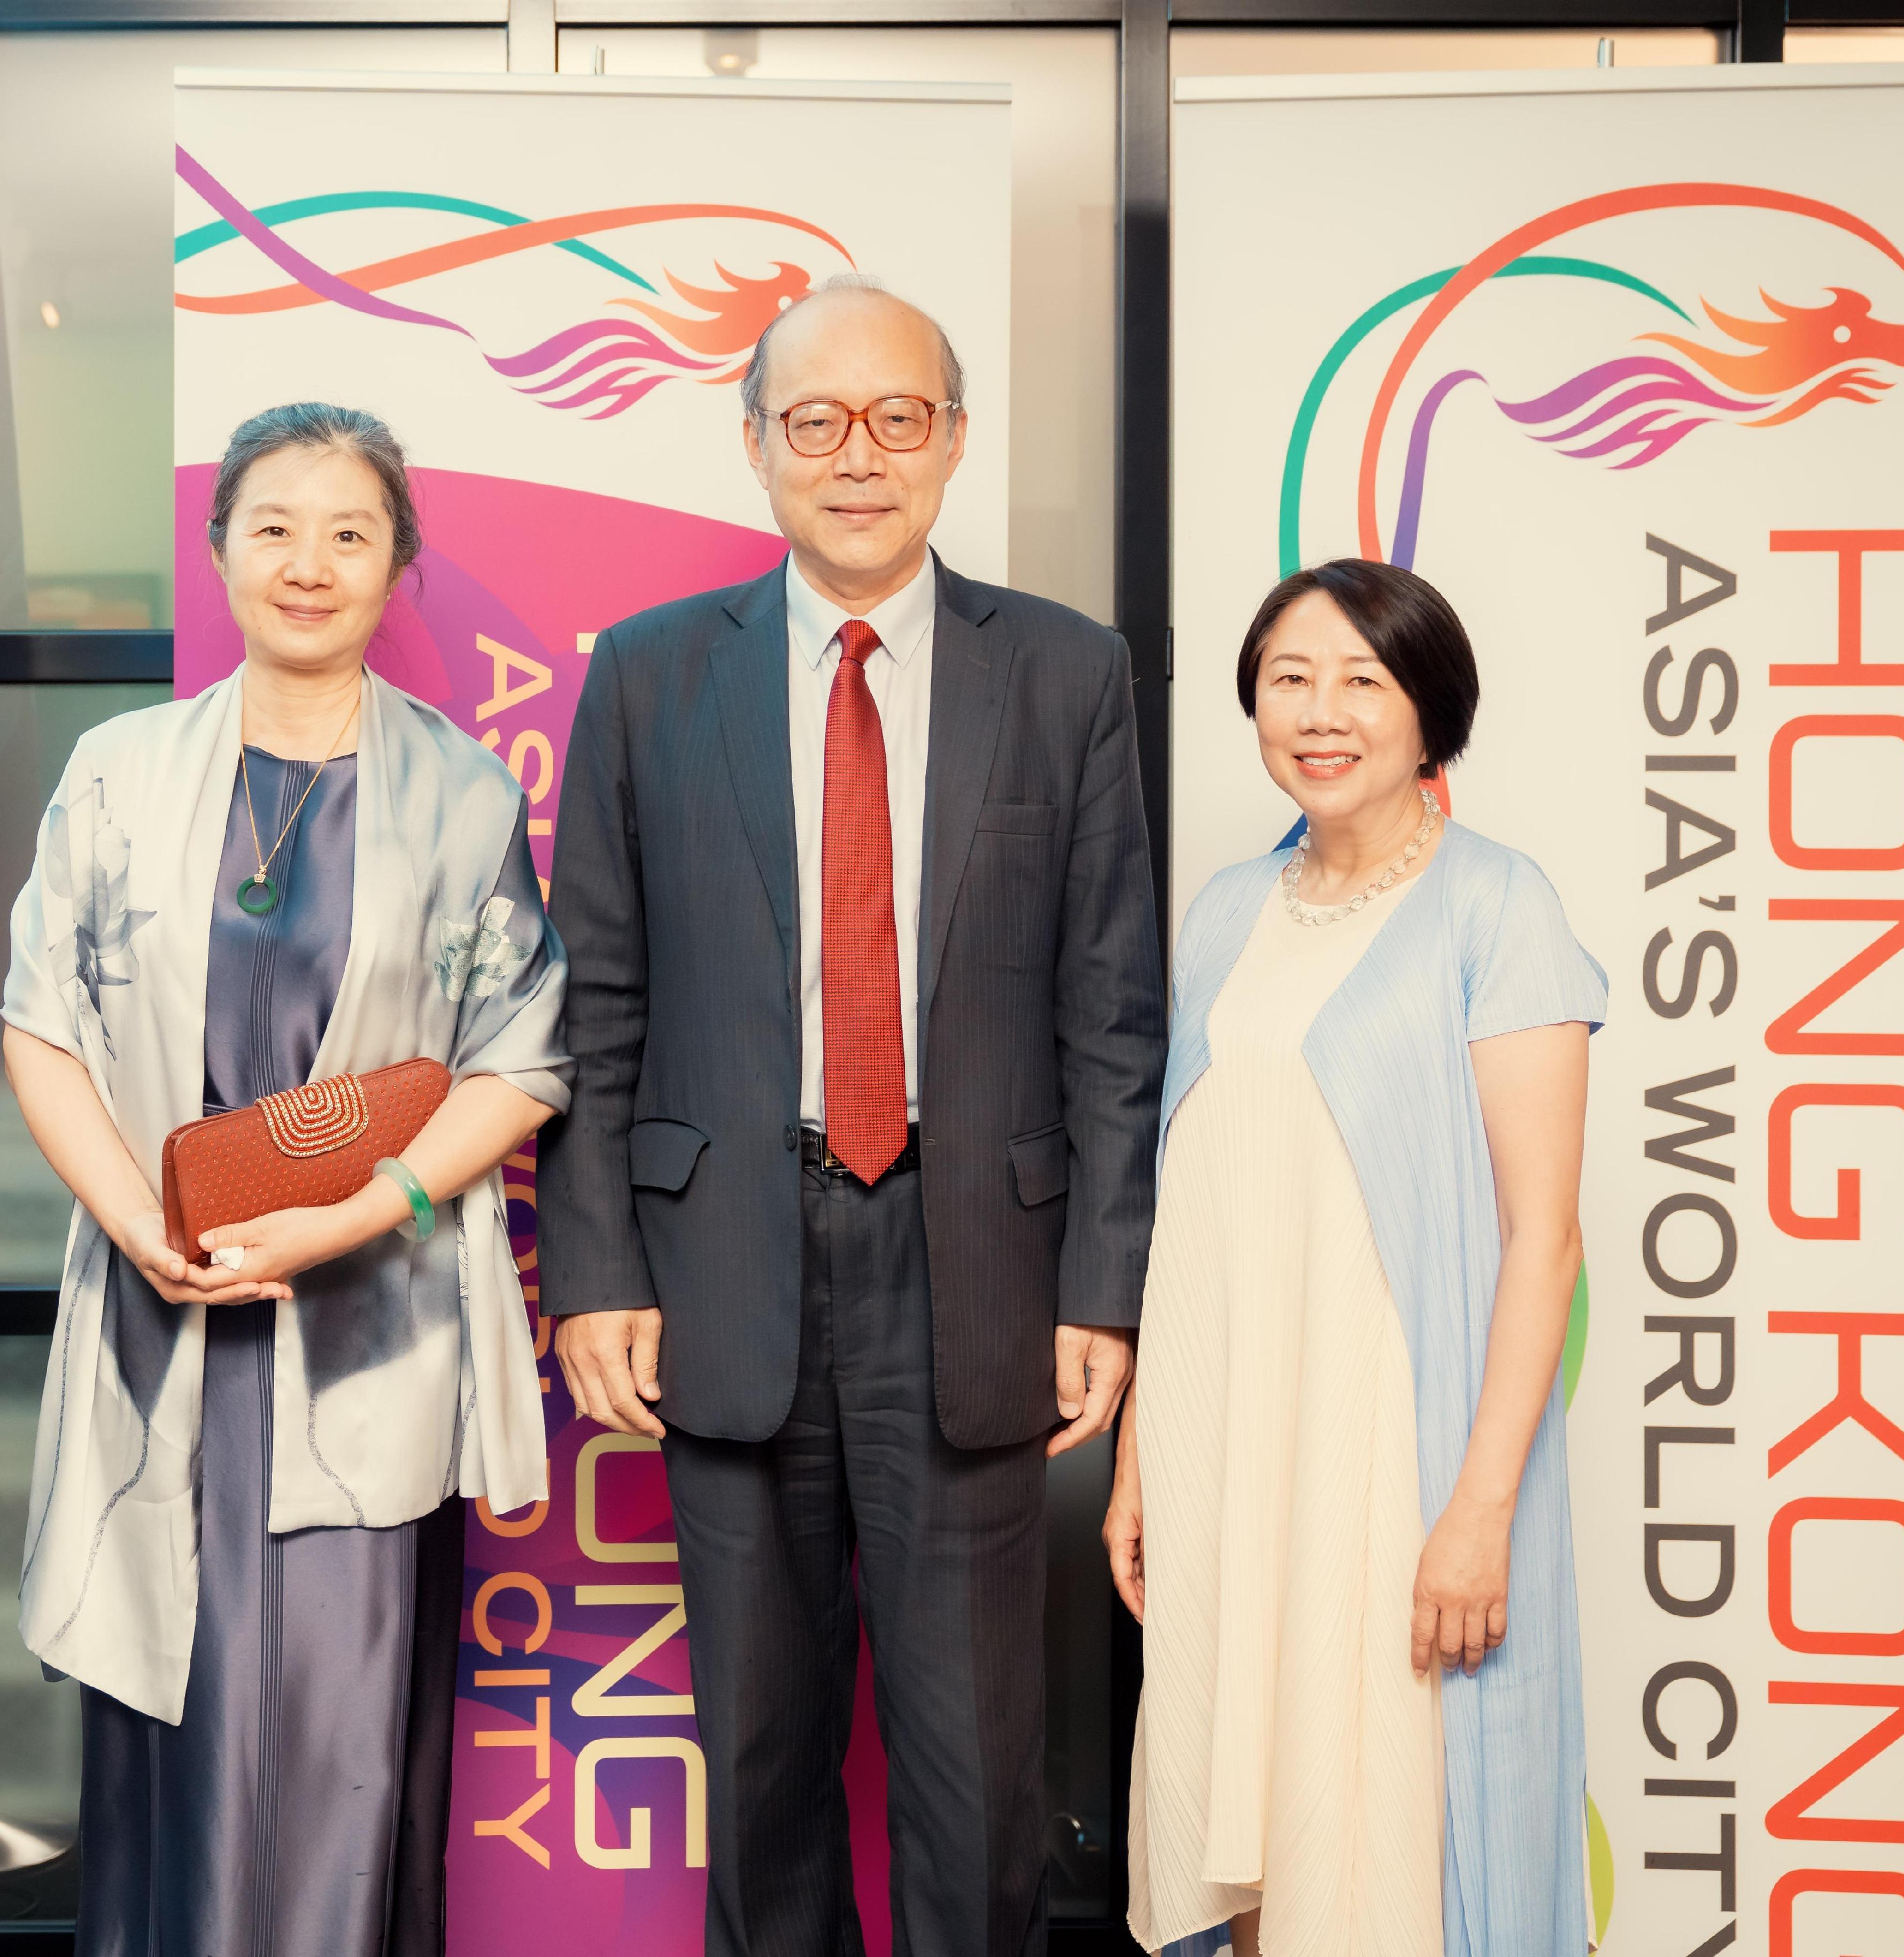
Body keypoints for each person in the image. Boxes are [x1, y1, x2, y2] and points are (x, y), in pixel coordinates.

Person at [539, 276, 1166, 1956]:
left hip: (975, 1272)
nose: (858, 456)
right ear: (756, 447)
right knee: (756, 1761)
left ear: (955, 441)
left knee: (979, 1781)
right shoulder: (654, 676)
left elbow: (1112, 1011)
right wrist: (595, 1270)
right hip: (724, 1259)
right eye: (814, 421)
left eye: (899, 418)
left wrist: (1106, 1286)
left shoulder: (1063, 671)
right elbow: (596, 1002)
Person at [3, 402, 570, 1957]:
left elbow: (522, 1058)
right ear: (220, 550)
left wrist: (353, 1216)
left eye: (349, 533)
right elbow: (39, 1027)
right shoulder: (118, 774)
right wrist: (141, 1227)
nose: (308, 564)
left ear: (399, 567)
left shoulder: (460, 794)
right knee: (170, 1733)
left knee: (337, 1751)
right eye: (275, 528)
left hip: (362, 1323)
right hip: (159, 1316)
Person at [1109, 561, 1605, 1957]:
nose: (1320, 714)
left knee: (1380, 1836)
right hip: (1229, 1454)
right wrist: (1146, 1455)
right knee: (1249, 1828)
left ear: (1430, 707)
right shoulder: (1224, 913)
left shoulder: (1500, 909)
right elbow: (1186, 1204)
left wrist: (1480, 1511)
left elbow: (1542, 1241)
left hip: (1393, 1470)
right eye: (1288, 680)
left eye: (1362, 681)